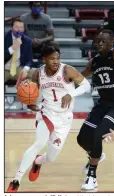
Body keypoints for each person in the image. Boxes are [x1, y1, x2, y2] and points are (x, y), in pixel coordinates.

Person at [7, 42, 91, 192]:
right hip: (47, 114)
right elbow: (30, 91)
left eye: (57, 58)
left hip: (64, 119)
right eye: (52, 58)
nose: (55, 61)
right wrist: (30, 103)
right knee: (39, 143)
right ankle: (16, 179)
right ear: (44, 59)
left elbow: (86, 86)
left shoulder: (67, 70)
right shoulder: (38, 73)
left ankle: (38, 162)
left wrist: (70, 94)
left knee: (51, 158)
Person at [77, 4, 114, 191]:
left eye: (103, 41)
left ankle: (92, 176)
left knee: (98, 132)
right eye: (98, 41)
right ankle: (97, 153)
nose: (99, 43)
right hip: (103, 104)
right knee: (82, 138)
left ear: (111, 43)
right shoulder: (94, 61)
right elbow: (79, 77)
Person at [4, 18, 33, 83]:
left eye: (21, 27)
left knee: (35, 74)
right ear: (12, 28)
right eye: (16, 27)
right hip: (4, 69)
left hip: (18, 68)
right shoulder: (3, 37)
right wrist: (12, 48)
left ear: (23, 29)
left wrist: (25, 69)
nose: (19, 29)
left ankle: (28, 93)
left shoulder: (27, 40)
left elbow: (29, 60)